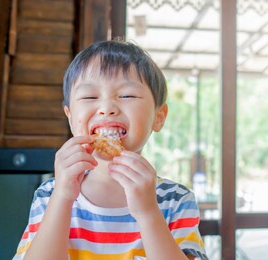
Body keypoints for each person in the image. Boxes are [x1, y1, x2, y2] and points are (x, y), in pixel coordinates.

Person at [13, 39, 208, 260]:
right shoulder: (49, 195)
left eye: (127, 96)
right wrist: (63, 197)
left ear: (159, 117)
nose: (106, 108)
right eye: (89, 97)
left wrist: (148, 213)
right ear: (70, 116)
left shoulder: (176, 200)